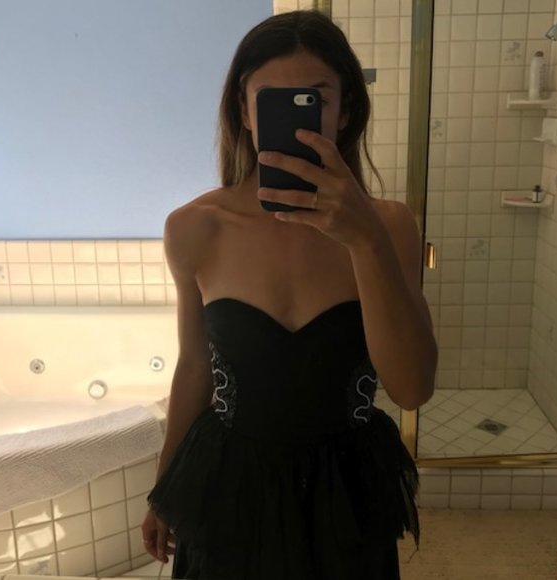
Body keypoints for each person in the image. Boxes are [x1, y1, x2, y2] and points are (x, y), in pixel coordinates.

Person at [141, 9, 437, 580]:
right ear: (245, 112)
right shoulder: (195, 228)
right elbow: (195, 366)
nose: (298, 117)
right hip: (227, 484)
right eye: (272, 99)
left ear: (345, 110)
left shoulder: (390, 227)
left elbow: (411, 388)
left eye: (314, 99)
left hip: (345, 489)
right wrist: (165, 487)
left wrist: (364, 242)